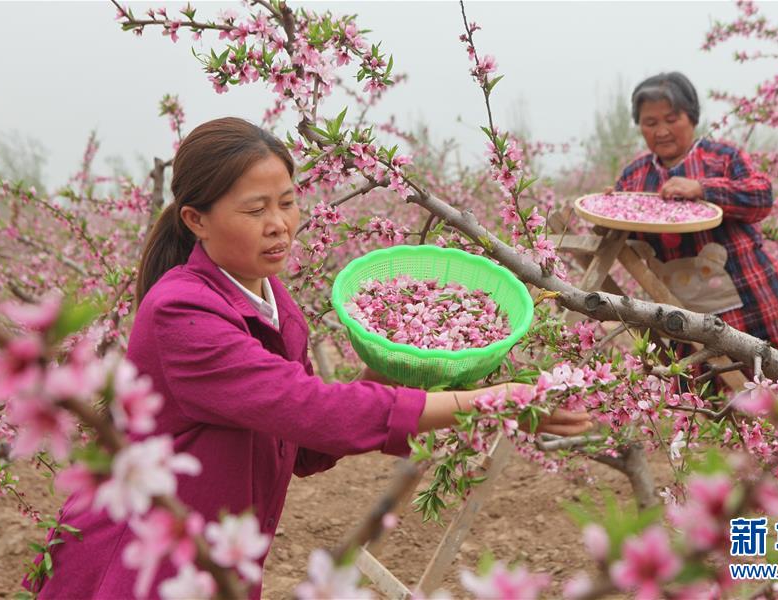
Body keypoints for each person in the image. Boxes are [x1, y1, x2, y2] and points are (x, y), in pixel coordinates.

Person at [29, 117, 591, 598]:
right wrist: (494, 402)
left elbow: (299, 445)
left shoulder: (275, 304)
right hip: (136, 563)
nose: (279, 224)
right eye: (255, 209)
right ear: (196, 220)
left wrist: (398, 368)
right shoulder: (182, 313)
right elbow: (309, 407)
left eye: (288, 202)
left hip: (211, 558)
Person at [612, 72, 778, 367]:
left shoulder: (721, 158)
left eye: (671, 119)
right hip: (687, 311)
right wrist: (611, 207)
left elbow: (761, 196)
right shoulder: (633, 177)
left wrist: (703, 189)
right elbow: (625, 237)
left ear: (692, 117)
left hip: (753, 293)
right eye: (650, 123)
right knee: (719, 392)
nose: (661, 131)